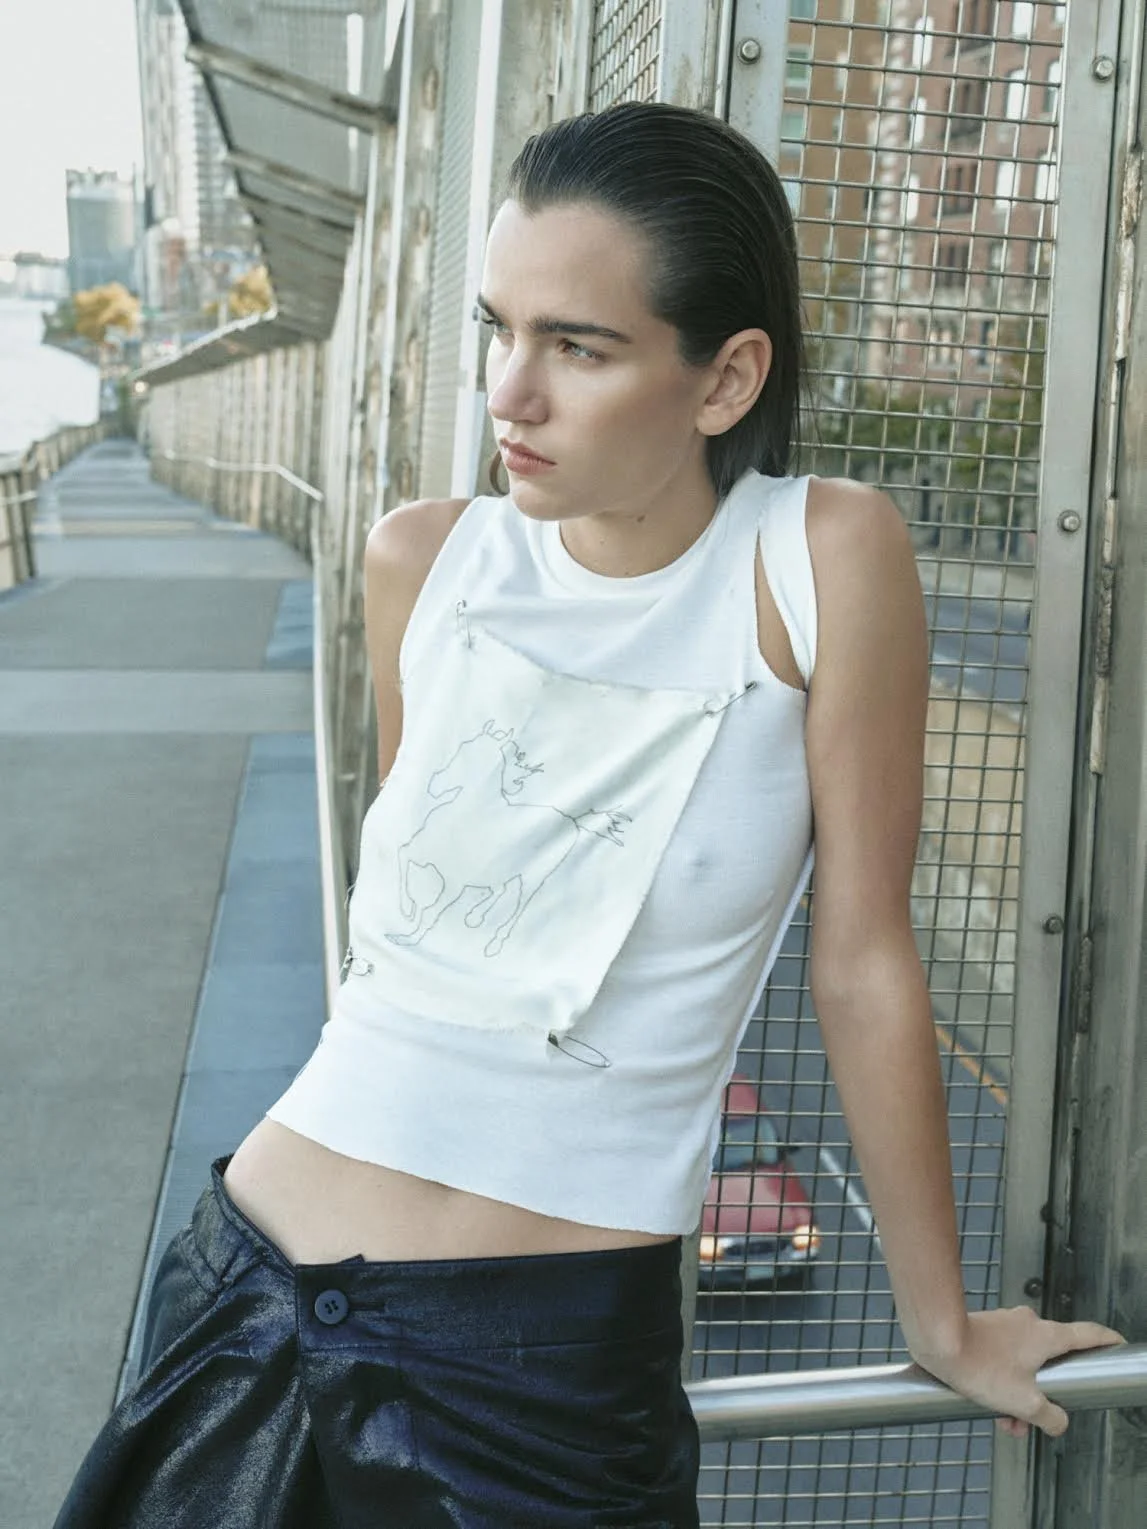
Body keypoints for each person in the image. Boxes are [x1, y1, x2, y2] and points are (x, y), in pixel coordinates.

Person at [55, 100, 1122, 1529]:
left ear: (724, 376)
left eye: (578, 345)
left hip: (543, 1363)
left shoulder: (817, 560)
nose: (510, 393)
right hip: (239, 1296)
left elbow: (864, 956)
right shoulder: (421, 561)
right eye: (500, 330)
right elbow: (411, 945)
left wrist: (936, 1321)